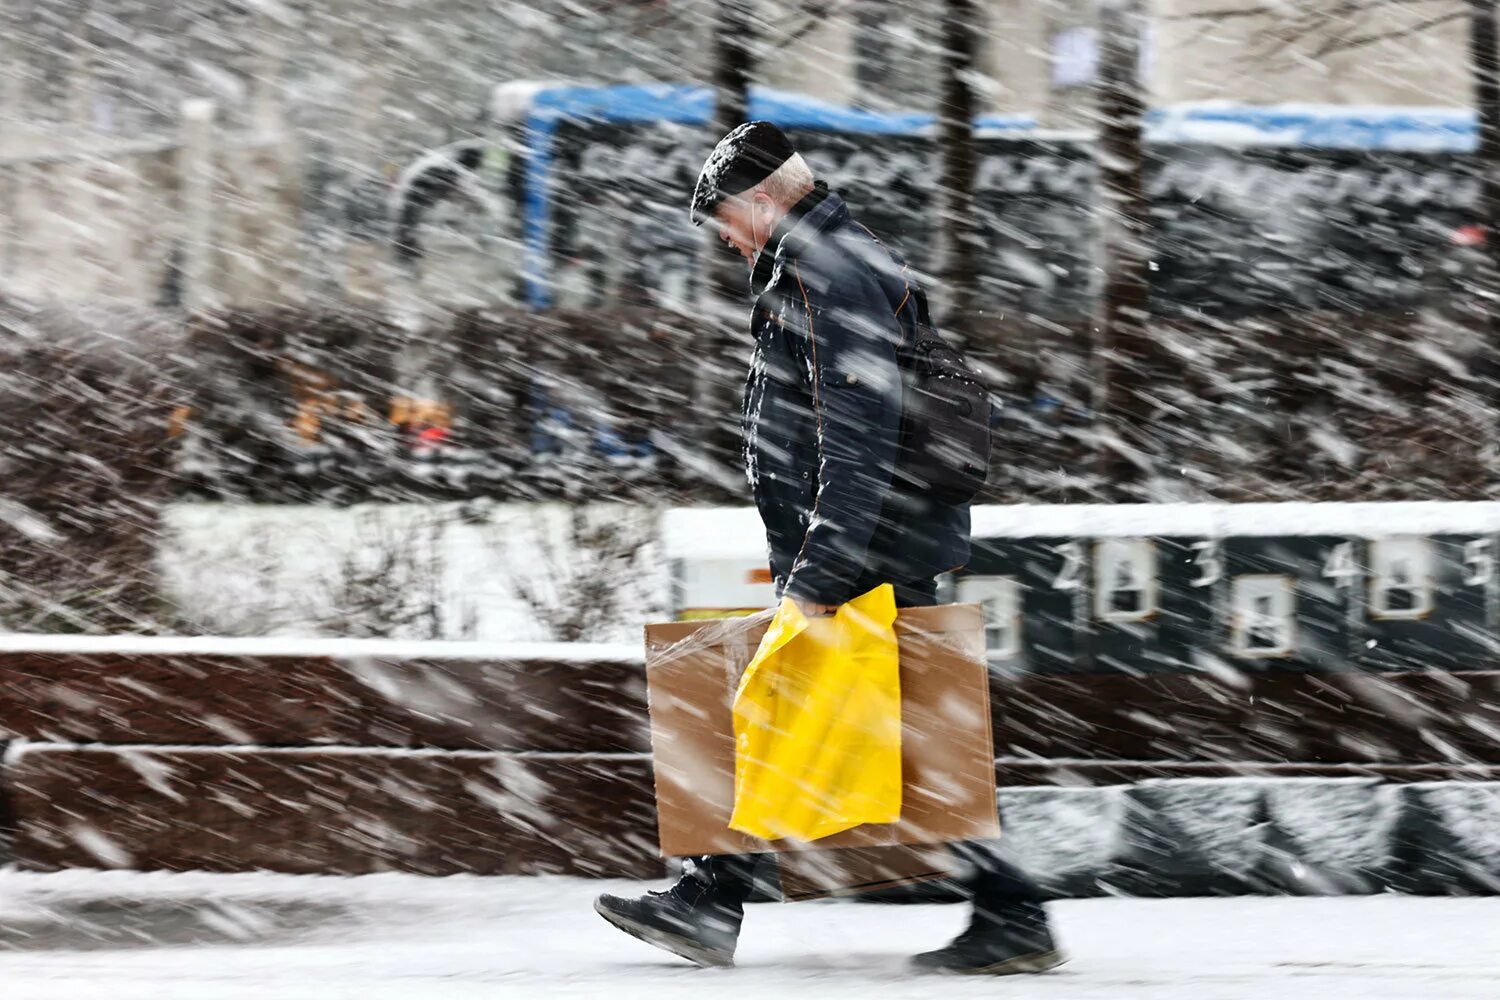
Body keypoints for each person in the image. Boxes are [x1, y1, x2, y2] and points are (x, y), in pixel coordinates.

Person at [594, 121, 1065, 976]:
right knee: (891, 727)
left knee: (833, 716)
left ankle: (719, 900)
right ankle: (1003, 913)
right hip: (876, 543)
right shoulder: (816, 261)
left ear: (767, 200)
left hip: (870, 551)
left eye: (727, 217)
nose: (724, 237)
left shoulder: (828, 271)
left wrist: (821, 570)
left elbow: (859, 439)